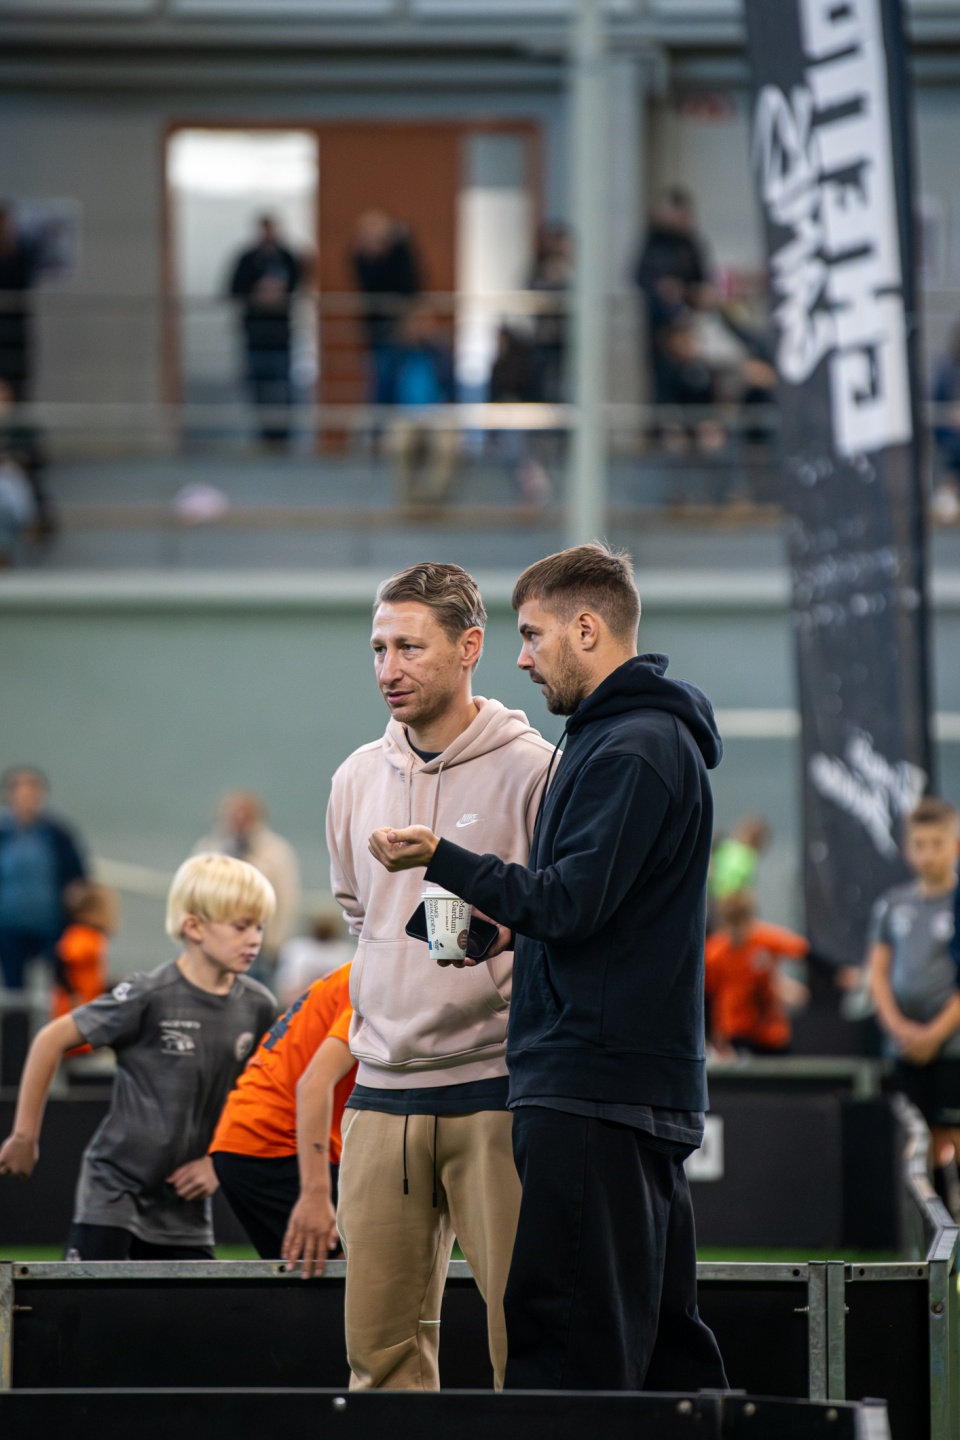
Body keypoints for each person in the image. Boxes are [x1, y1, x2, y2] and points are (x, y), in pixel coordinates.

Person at [369, 543, 727, 1393]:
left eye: (532, 635)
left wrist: (442, 856)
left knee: (568, 1352)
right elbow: (596, 914)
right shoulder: (623, 739)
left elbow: (570, 904)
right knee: (657, 1354)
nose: (522, 658)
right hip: (619, 1081)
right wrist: (504, 936)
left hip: (595, 1086)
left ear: (587, 629)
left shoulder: (631, 748)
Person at [328, 561, 553, 1390]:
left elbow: (559, 916)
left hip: (497, 1088)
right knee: (378, 1359)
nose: (388, 668)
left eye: (409, 647)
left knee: (524, 1349)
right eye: (378, 649)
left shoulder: (536, 770)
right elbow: (361, 916)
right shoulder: (355, 777)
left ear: (470, 648)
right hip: (379, 1095)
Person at [0, 854, 277, 1260]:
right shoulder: (149, 995)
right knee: (88, 1301)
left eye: (259, 927)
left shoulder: (259, 1006)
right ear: (194, 927)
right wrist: (24, 1136)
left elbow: (260, 1097)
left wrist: (217, 1164)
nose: (254, 939)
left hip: (185, 1208)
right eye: (241, 926)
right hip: (113, 1196)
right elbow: (49, 1040)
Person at [208, 962, 356, 1271]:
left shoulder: (361, 972)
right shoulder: (375, 980)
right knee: (343, 1274)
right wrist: (315, 1194)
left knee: (351, 1271)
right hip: (273, 1143)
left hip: (265, 1136)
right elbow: (313, 1085)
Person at [868, 797, 960, 1214]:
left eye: (937, 843)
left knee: (950, 1136)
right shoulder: (892, 904)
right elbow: (877, 974)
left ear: (954, 845)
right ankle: (930, 1236)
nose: (928, 854)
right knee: (917, 1143)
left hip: (951, 1048)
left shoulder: (956, 902)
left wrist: (934, 1035)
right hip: (904, 1049)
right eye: (919, 844)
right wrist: (898, 1027)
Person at [194, 790, 300, 973]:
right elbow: (193, 894)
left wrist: (276, 944)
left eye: (244, 815)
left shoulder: (276, 853)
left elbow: (287, 900)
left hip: (258, 947)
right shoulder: (209, 848)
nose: (238, 820)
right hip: (212, 944)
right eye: (233, 814)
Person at [0, 766, 86, 991]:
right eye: (21, 792)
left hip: (50, 926)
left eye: (33, 792)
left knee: (59, 984)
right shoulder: (4, 834)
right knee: (14, 989)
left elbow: (77, 876)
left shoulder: (57, 834)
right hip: (8, 927)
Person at [704, 890, 809, 1057]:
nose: (737, 930)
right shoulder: (714, 953)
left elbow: (804, 950)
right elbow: (708, 995)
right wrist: (714, 1037)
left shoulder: (765, 939)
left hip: (770, 1030)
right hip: (736, 1031)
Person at [228, 215, 301, 447]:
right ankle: (264, 436)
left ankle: (282, 437)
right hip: (255, 335)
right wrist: (256, 293)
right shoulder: (247, 259)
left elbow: (299, 286)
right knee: (257, 389)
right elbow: (233, 289)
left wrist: (280, 293)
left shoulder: (287, 258)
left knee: (283, 389)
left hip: (280, 336)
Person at [635, 189, 712, 410]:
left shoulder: (690, 244)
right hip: (659, 323)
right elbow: (640, 277)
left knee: (693, 374)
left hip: (687, 320)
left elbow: (701, 279)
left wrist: (688, 293)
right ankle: (665, 422)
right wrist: (661, 289)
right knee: (662, 377)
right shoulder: (653, 243)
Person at [383, 305, 458, 507]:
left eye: (425, 324)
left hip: (437, 413)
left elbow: (451, 386)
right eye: (416, 323)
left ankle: (431, 499)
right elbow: (383, 389)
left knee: (446, 446)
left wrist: (433, 345)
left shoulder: (439, 354)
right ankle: (408, 500)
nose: (420, 328)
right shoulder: (396, 354)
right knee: (398, 446)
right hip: (403, 414)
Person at [350, 210, 422, 405]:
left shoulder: (399, 253)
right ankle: (381, 419)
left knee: (402, 379)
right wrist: (374, 255)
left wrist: (399, 244)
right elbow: (371, 285)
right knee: (381, 380)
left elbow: (410, 284)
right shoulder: (361, 257)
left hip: (402, 324)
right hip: (378, 327)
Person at [50, 880, 117, 1027]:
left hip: (86, 1009)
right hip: (74, 1012)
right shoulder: (83, 936)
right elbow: (61, 962)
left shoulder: (93, 937)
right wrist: (73, 994)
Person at [0, 204, 38, 402]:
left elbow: (23, 279)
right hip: (9, 332)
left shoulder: (19, 255)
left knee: (16, 390)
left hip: (14, 332)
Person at [276, 913, 353, 1008]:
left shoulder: (345, 954)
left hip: (331, 1007)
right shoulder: (298, 950)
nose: (324, 926)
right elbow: (288, 991)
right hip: (302, 1006)